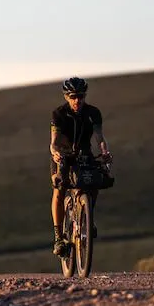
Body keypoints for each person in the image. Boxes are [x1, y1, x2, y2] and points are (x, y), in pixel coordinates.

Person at [50, 76, 112, 255]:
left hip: (84, 152)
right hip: (63, 155)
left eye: (81, 96)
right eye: (73, 96)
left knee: (96, 179)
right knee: (59, 189)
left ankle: (87, 216)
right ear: (66, 97)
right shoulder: (59, 114)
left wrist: (105, 152)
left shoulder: (93, 113)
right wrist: (56, 153)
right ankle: (59, 237)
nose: (77, 100)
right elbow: (54, 142)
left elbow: (100, 137)